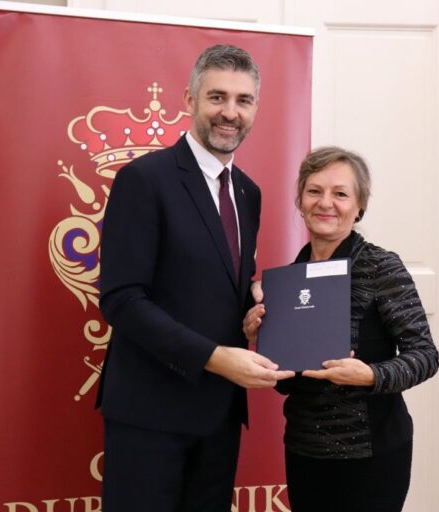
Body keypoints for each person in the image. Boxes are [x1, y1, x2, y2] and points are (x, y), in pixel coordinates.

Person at [97, 44, 294, 512]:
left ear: (256, 108)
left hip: (219, 416)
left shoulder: (247, 192)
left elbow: (221, 282)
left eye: (243, 100)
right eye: (217, 97)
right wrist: (214, 358)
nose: (230, 113)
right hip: (150, 414)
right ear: (189, 100)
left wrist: (257, 306)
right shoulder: (143, 180)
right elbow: (122, 299)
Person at [243, 146, 439, 511]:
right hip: (304, 449)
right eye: (314, 191)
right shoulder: (288, 281)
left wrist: (371, 375)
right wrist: (262, 341)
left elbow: (425, 356)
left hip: (373, 454)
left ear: (359, 205)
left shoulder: (381, 267)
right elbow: (288, 383)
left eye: (340, 194)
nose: (325, 203)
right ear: (300, 200)